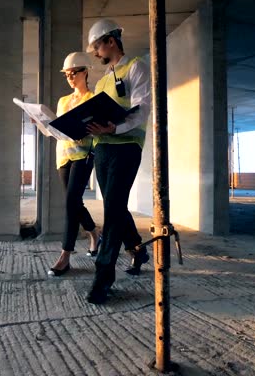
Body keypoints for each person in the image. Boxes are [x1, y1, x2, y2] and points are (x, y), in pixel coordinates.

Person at [84, 19, 151, 304]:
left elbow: (142, 108)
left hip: (125, 147)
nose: (96, 53)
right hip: (102, 149)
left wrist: (115, 129)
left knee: (111, 210)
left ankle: (103, 276)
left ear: (110, 41)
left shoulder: (135, 66)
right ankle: (138, 248)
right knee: (116, 205)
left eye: (97, 47)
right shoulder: (101, 81)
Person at [48, 52, 101, 277]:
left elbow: (96, 129)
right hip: (64, 156)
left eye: (74, 72)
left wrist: (82, 132)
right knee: (74, 202)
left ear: (85, 72)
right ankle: (94, 232)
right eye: (67, 74)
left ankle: (65, 255)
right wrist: (45, 124)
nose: (70, 77)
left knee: (71, 202)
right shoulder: (62, 101)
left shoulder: (94, 98)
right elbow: (60, 129)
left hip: (83, 155)